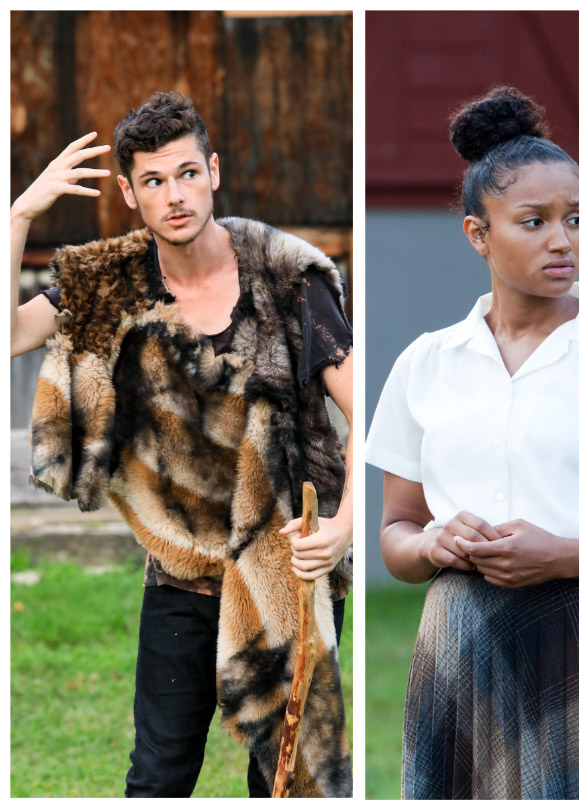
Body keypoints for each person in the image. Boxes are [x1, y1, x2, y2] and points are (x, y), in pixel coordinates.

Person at [367, 86, 579, 800]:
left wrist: (564, 556)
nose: (563, 240)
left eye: (576, 218)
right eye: (534, 221)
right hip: (461, 642)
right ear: (477, 234)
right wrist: (434, 543)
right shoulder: (424, 362)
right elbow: (395, 537)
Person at [11, 91, 353, 798]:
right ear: (132, 195)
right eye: (155, 182)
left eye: (188, 173)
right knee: (158, 778)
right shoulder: (111, 280)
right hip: (179, 575)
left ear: (214, 171)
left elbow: (372, 410)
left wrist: (345, 527)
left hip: (284, 569)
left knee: (292, 784)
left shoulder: (287, 274)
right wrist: (18, 216)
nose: (176, 195)